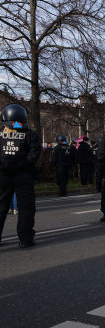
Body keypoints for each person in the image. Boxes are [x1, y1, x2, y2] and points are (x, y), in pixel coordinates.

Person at [0, 104, 41, 248]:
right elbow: (33, 157)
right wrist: (17, 167)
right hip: (23, 175)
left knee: (1, 207)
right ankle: (25, 239)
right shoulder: (31, 135)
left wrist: (5, 168)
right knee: (26, 209)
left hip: (2, 176)